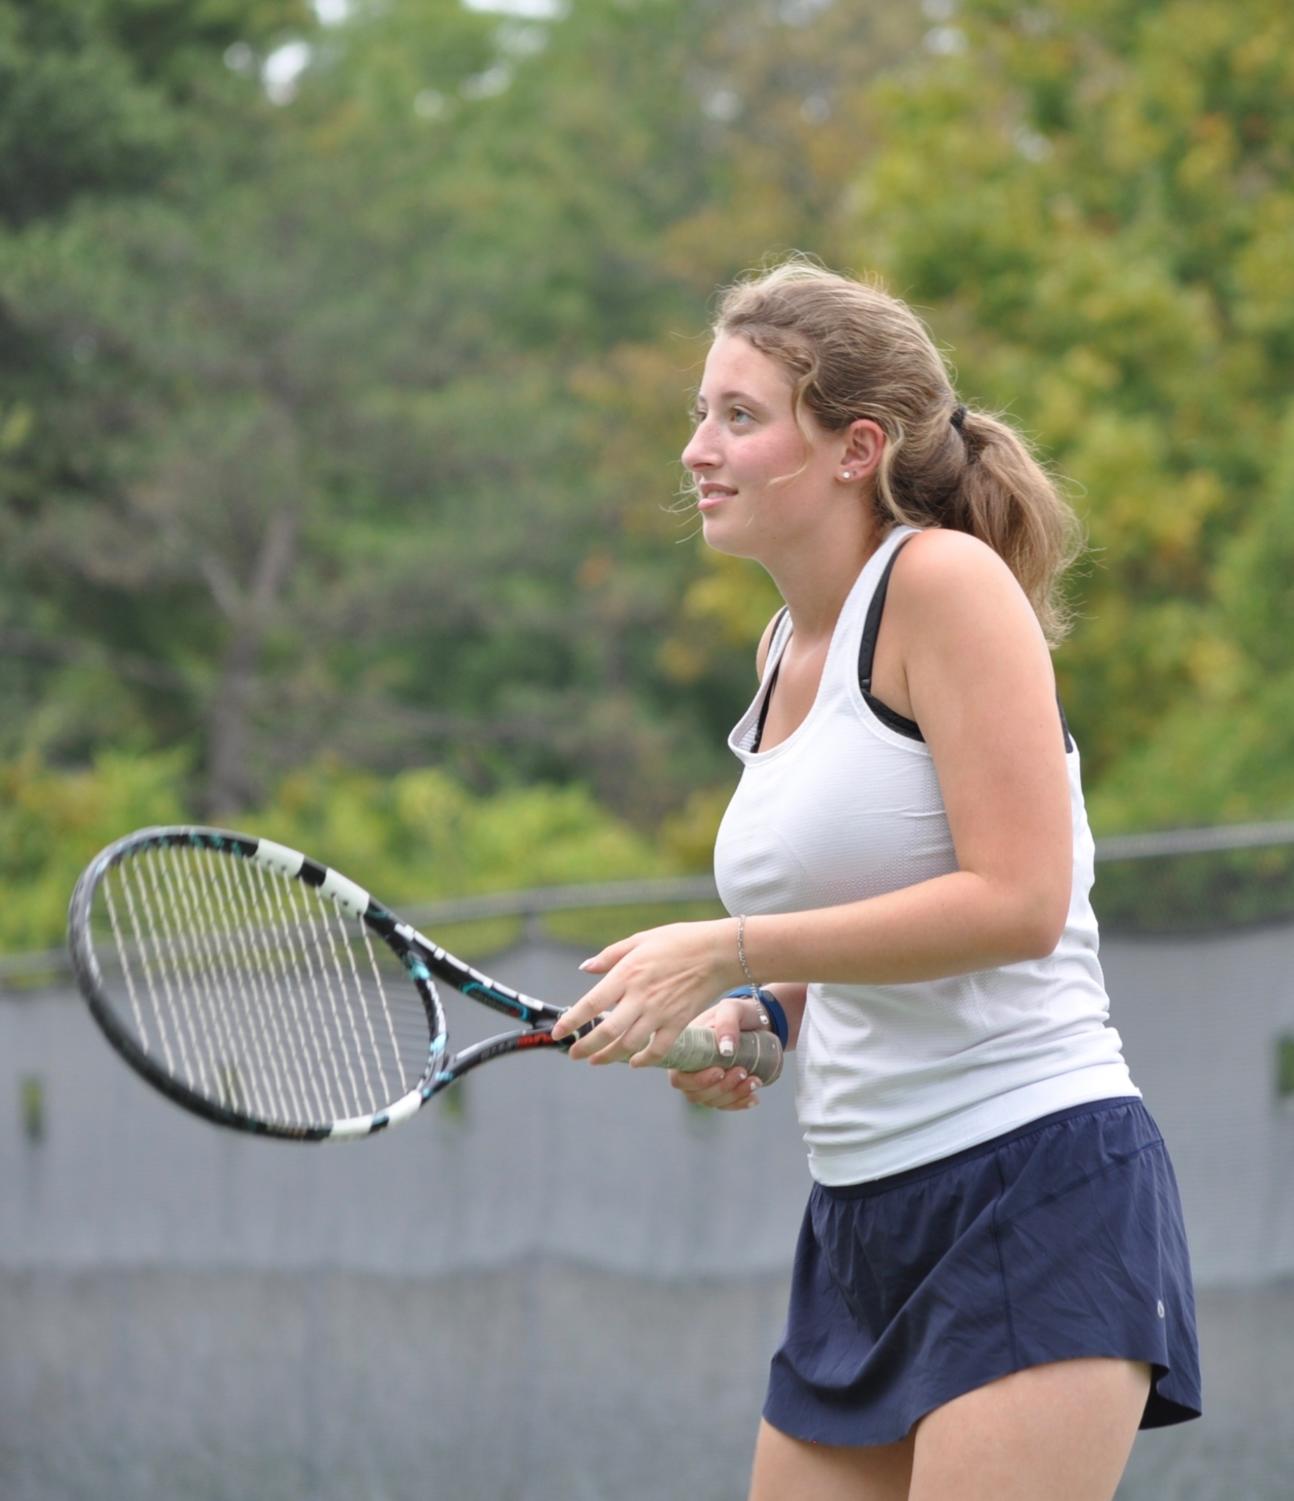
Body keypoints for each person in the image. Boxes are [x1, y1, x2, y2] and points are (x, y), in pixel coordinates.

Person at [550, 256, 1201, 1500]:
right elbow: (848, 895)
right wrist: (765, 1014)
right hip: (856, 1217)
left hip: (1031, 1181)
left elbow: (1019, 901)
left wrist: (720, 949)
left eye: (739, 417)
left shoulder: (943, 585)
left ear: (855, 448)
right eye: (700, 411)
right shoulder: (784, 641)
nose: (696, 449)